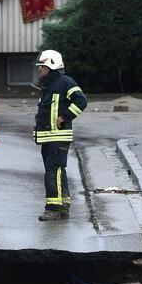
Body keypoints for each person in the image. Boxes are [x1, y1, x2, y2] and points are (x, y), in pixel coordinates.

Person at [33, 49, 88, 221]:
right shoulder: (48, 86)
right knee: (57, 171)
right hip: (48, 137)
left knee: (53, 171)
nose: (40, 70)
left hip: (58, 136)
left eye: (42, 67)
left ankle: (53, 209)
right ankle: (63, 204)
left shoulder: (66, 82)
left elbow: (81, 101)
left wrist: (64, 117)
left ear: (51, 65)